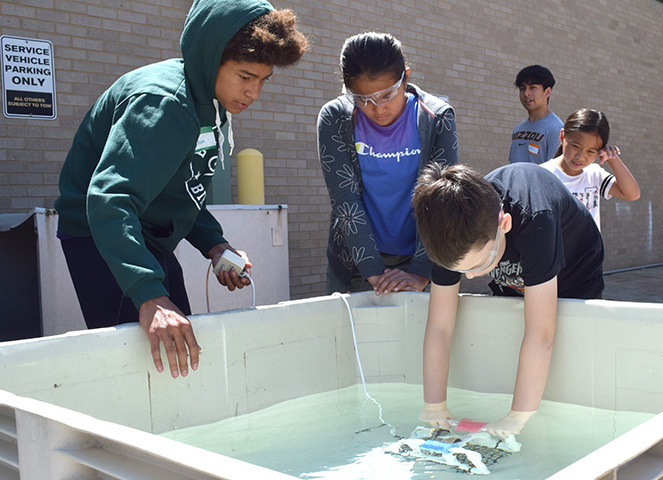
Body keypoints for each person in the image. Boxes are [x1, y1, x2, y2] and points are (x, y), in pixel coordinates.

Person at [54, 0, 308, 378]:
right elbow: (110, 198)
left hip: (146, 233)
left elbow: (181, 189)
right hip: (102, 234)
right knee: (145, 367)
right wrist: (147, 294)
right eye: (244, 76)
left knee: (182, 344)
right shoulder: (165, 102)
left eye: (262, 80)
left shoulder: (209, 100)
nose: (253, 92)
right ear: (210, 59)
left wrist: (214, 245)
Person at [411, 163, 604, 439]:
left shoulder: (536, 218)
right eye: (461, 271)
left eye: (480, 264)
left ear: (505, 224)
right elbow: (439, 326)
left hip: (574, 272)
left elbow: (541, 334)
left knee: (568, 358)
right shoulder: (448, 234)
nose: (471, 275)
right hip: (514, 264)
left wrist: (517, 417)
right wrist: (434, 406)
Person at [317, 32, 458, 296]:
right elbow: (345, 200)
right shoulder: (335, 117)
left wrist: (420, 271)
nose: (378, 109)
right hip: (357, 265)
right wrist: (373, 272)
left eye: (387, 95)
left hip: (425, 260)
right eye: (363, 98)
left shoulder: (436, 117)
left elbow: (442, 200)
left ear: (406, 76)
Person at [541, 108, 640, 231]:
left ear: (600, 151)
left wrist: (612, 160)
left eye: (591, 151)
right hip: (558, 249)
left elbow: (632, 194)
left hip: (591, 250)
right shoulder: (543, 174)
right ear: (562, 136)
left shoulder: (594, 174)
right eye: (576, 146)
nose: (580, 156)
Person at [508, 65, 563, 164]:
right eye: (522, 88)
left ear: (547, 92)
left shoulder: (556, 128)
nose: (526, 93)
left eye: (532, 87)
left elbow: (555, 172)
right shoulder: (518, 130)